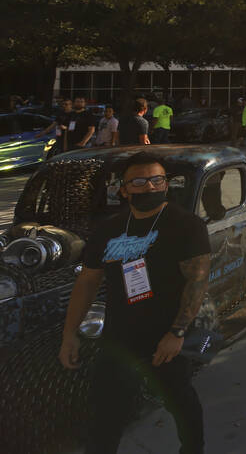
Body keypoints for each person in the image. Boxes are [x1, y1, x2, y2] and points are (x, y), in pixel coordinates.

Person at [60, 152, 211, 454]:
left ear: (167, 184)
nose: (150, 187)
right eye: (139, 182)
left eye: (158, 180)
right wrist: (69, 334)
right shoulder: (108, 229)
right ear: (124, 189)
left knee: (180, 402)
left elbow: (197, 281)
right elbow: (88, 281)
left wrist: (177, 333)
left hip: (165, 337)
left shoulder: (186, 225)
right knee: (106, 413)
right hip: (119, 336)